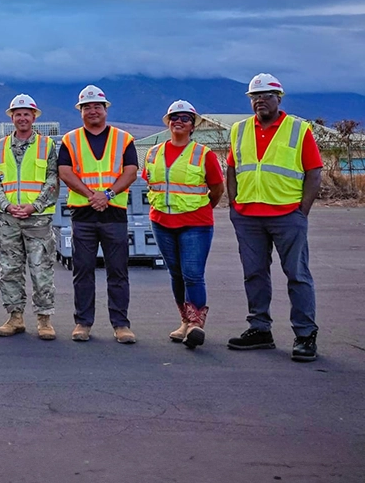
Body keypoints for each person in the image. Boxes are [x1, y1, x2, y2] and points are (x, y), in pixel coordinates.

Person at [225, 73, 323, 362]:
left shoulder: (298, 129)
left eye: (266, 96)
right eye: (254, 97)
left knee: (297, 275)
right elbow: (231, 168)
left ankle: (305, 335)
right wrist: (234, 203)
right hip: (248, 216)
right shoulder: (239, 130)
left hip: (287, 215)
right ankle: (260, 330)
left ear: (279, 98)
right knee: (254, 274)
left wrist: (301, 211)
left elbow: (314, 172)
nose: (259, 101)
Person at [58, 86, 139, 344]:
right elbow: (65, 171)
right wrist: (92, 195)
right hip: (83, 214)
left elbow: (130, 171)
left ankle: (121, 324)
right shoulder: (70, 140)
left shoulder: (124, 139)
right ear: (81, 111)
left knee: (118, 271)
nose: (92, 110)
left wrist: (107, 195)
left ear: (106, 109)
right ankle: (83, 322)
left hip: (113, 213)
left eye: (97, 106)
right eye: (87, 107)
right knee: (83, 270)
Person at [143, 100, 224, 349]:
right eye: (174, 117)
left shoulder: (204, 154)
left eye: (185, 118)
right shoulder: (153, 153)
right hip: (162, 222)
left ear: (193, 125)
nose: (179, 121)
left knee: (193, 274)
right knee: (176, 274)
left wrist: (202, 209)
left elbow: (217, 188)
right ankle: (184, 322)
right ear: (168, 122)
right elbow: (150, 183)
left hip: (195, 223)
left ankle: (196, 324)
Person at [0, 95, 60, 340]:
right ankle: (15, 317)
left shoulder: (47, 145)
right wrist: (7, 206)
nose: (22, 118)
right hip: (8, 219)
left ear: (34, 117)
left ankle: (44, 319)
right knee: (9, 270)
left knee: (41, 270)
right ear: (11, 117)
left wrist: (35, 206)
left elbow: (52, 179)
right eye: (17, 114)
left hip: (37, 220)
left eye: (26, 114)